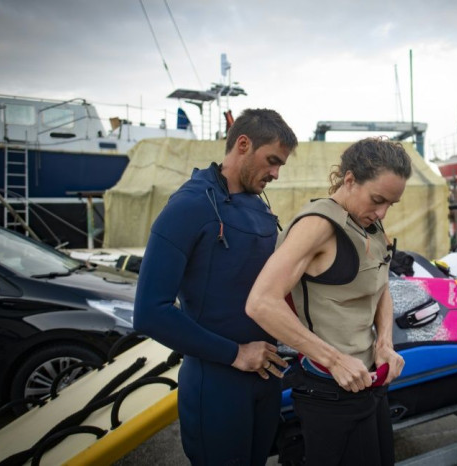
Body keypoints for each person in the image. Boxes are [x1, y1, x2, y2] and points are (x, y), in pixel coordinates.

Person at [133, 108, 297, 465]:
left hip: (265, 380)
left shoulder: (260, 207)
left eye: (280, 164)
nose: (276, 173)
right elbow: (149, 312)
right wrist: (236, 354)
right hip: (217, 386)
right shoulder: (189, 206)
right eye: (271, 161)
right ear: (242, 144)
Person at [246, 137, 412, 465]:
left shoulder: (370, 222)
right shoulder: (317, 225)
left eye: (391, 204)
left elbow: (380, 285)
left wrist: (385, 343)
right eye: (378, 199)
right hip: (329, 391)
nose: (382, 212)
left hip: (368, 383)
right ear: (350, 180)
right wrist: (335, 360)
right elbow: (261, 302)